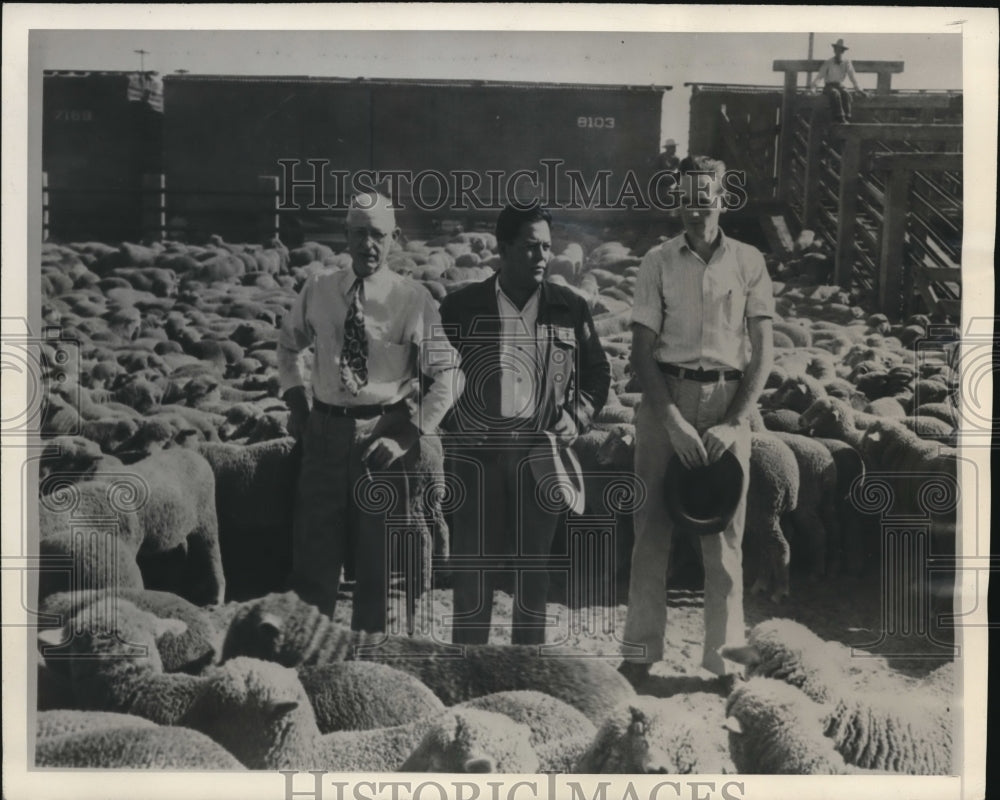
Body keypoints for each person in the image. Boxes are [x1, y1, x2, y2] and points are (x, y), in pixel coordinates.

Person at [276, 191, 464, 631]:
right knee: (313, 557)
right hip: (323, 433)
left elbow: (451, 373)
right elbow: (288, 346)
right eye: (358, 234)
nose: (368, 245)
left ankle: (367, 663)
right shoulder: (318, 291)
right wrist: (298, 404)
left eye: (377, 235)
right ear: (345, 236)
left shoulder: (412, 299)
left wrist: (409, 434)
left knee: (378, 564)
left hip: (382, 438)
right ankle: (310, 658)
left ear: (394, 238)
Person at [619, 155, 774, 684]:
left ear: (722, 199)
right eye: (683, 195)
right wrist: (671, 422)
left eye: (702, 194)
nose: (692, 205)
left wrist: (734, 424)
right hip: (667, 398)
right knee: (651, 531)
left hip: (728, 403)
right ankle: (640, 653)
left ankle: (725, 658)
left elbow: (762, 353)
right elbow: (641, 351)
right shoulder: (656, 262)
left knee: (724, 537)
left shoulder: (750, 262)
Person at [438, 202, 610, 645]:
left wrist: (579, 415)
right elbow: (432, 373)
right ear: (504, 248)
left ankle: (526, 665)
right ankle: (470, 663)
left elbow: (597, 372)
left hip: (540, 452)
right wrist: (457, 422)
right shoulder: (460, 308)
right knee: (474, 569)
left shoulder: (568, 307)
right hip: (478, 456)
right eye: (531, 247)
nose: (541, 257)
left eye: (546, 248)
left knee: (534, 570)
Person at [810, 38, 869, 123]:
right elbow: (820, 76)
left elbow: (852, 76)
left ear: (843, 52)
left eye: (841, 50)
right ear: (834, 50)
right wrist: (813, 88)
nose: (839, 52)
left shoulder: (847, 62)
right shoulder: (828, 62)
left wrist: (858, 89)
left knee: (846, 94)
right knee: (835, 93)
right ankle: (840, 117)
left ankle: (847, 117)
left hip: (840, 85)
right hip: (829, 86)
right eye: (837, 50)